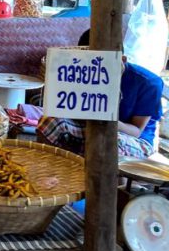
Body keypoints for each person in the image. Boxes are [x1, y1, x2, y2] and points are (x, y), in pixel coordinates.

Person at [39, 30, 162, 159]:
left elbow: (136, 131)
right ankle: (53, 170)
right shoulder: (80, 71)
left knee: (108, 142)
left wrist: (105, 118)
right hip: (90, 127)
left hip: (130, 139)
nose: (95, 67)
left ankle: (111, 179)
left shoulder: (149, 83)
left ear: (122, 60)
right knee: (50, 122)